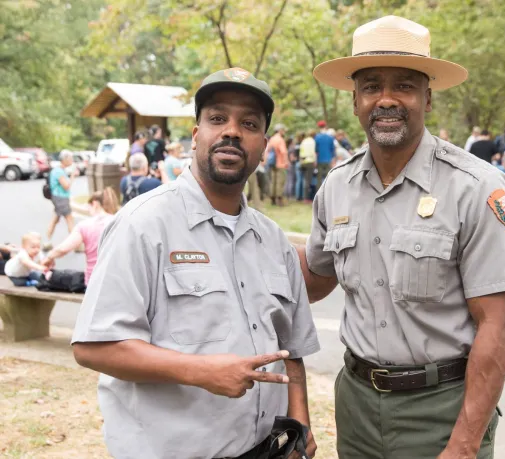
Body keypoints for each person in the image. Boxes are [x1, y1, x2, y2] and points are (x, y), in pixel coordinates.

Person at [303, 15, 505, 459]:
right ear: (355, 100)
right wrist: (239, 235)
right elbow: (314, 277)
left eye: (403, 85)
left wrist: (464, 444)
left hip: (443, 412)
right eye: (371, 86)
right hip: (357, 409)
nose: (386, 99)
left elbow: (499, 326)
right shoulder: (338, 185)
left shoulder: (477, 187)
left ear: (428, 97)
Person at [70, 67, 319, 459]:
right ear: (195, 135)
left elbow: (292, 350)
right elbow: (93, 346)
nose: (232, 131)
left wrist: (300, 423)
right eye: (217, 118)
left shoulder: (274, 242)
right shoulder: (143, 224)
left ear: (263, 145)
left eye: (249, 123)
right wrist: (200, 371)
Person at [42, 188, 119, 285]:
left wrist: (49, 257)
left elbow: (63, 249)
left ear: (94, 204)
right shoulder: (118, 222)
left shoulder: (85, 225)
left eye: (88, 206)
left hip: (94, 281)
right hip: (117, 280)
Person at [46, 150, 78, 246]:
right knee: (69, 219)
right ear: (65, 159)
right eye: (70, 158)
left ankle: (47, 240)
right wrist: (73, 176)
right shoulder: (59, 171)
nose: (72, 160)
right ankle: (75, 243)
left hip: (58, 198)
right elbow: (66, 186)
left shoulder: (59, 170)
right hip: (61, 198)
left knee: (55, 219)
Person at [266, 123, 289, 206]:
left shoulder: (272, 139)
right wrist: (286, 162)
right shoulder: (280, 139)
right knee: (280, 181)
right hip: (280, 164)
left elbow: (268, 150)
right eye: (283, 130)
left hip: (272, 163)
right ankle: (279, 199)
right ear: (280, 130)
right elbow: (283, 152)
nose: (284, 132)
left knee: (273, 181)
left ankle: (272, 198)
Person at [314, 120, 335, 191]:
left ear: (318, 127)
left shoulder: (316, 137)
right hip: (328, 159)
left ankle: (318, 193)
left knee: (319, 178)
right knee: (328, 178)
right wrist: (333, 159)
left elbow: (315, 150)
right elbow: (333, 150)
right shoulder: (330, 138)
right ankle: (327, 192)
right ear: (325, 126)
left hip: (320, 160)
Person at [299, 130, 317, 202]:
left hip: (303, 161)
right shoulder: (313, 141)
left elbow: (301, 151)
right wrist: (315, 161)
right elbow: (313, 152)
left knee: (304, 180)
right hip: (310, 161)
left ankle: (303, 196)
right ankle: (306, 198)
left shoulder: (304, 141)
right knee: (308, 181)